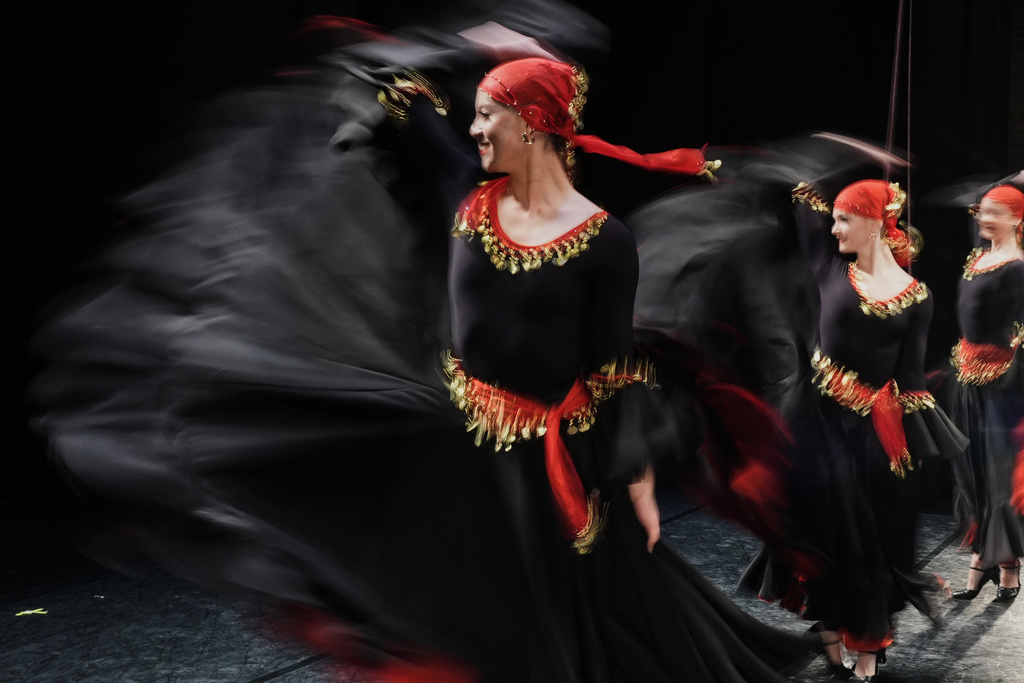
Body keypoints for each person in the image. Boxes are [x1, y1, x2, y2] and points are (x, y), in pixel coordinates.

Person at [32, 17, 823, 678]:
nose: (473, 128)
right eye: (473, 114)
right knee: (466, 616)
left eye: (490, 115)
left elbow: (610, 368)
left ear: (537, 126)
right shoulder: (465, 200)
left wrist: (641, 476)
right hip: (465, 443)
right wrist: (462, 47)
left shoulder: (603, 240)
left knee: (588, 625)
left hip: (565, 460)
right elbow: (378, 90)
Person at [739, 179, 968, 681]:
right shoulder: (827, 263)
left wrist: (916, 439)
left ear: (873, 222)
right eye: (836, 218)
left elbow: (909, 376)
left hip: (873, 434)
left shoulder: (917, 297)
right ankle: (829, 625)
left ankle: (868, 643)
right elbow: (802, 197)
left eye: (845, 219)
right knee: (822, 534)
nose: (835, 227)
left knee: (872, 540)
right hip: (816, 424)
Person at [944, 183, 1024, 603]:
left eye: (994, 212)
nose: (982, 218)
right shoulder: (980, 255)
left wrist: (1010, 375)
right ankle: (986, 556)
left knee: (998, 476)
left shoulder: (1016, 266)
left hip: (1003, 383)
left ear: (1017, 219)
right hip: (966, 376)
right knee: (970, 472)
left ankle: (1004, 564)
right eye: (981, 211)